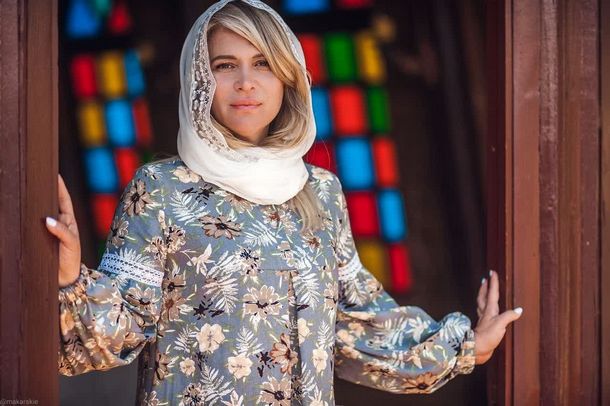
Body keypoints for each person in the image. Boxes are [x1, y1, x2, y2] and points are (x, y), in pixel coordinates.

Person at [46, 1, 522, 404]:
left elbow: (355, 323)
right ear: (199, 80)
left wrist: (464, 346)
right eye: (224, 65)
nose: (245, 82)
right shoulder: (161, 189)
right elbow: (120, 330)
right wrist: (70, 279)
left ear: (288, 78)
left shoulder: (321, 191)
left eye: (263, 63)